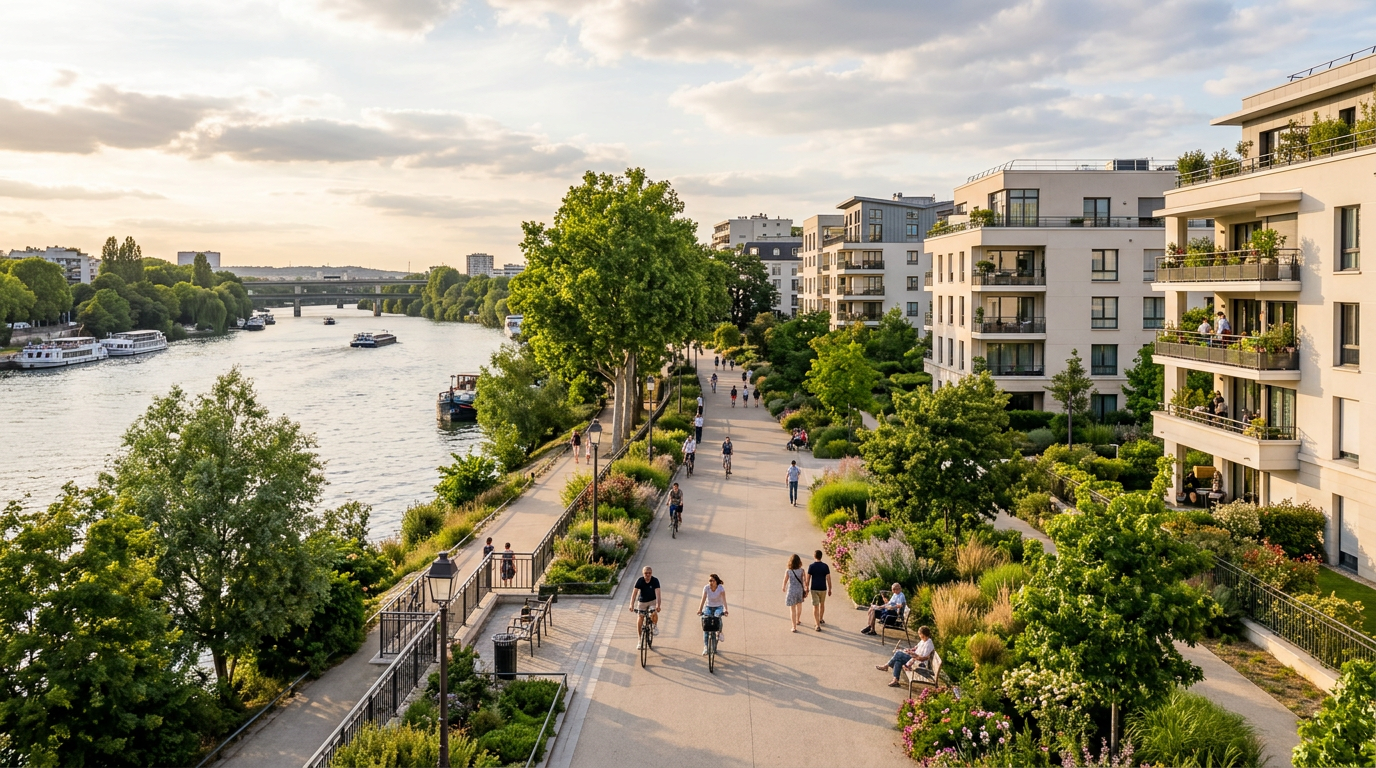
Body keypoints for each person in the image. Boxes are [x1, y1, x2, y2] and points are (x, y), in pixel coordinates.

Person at [630, 566, 662, 649]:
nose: (647, 575)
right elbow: (634, 594)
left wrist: (658, 605)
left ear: (651, 573)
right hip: (642, 602)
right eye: (646, 573)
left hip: (652, 600)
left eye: (649, 573)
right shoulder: (640, 581)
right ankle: (639, 640)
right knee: (640, 617)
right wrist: (631, 604)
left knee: (653, 612)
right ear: (643, 573)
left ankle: (654, 625)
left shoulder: (655, 581)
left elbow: (658, 594)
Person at [697, 573, 729, 655]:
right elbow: (703, 599)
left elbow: (724, 600)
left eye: (712, 580)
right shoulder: (706, 588)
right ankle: (706, 647)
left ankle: (719, 632)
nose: (710, 582)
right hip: (708, 607)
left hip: (718, 607)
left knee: (717, 616)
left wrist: (725, 609)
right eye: (709, 580)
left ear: (716, 581)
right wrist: (700, 609)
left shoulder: (720, 588)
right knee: (705, 621)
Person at [807, 550, 832, 631]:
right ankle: (821, 618)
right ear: (821, 556)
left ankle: (817, 625)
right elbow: (828, 578)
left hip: (814, 588)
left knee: (815, 606)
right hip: (823, 588)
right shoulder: (825, 566)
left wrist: (806, 587)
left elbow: (808, 578)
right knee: (822, 604)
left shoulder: (811, 566)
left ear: (814, 556)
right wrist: (830, 588)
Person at [783, 554, 807, 632]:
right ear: (799, 562)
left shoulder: (788, 571)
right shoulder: (802, 570)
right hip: (799, 590)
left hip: (791, 590)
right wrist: (806, 589)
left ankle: (794, 626)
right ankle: (798, 620)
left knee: (792, 609)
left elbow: (785, 580)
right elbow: (804, 581)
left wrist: (783, 587)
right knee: (799, 606)